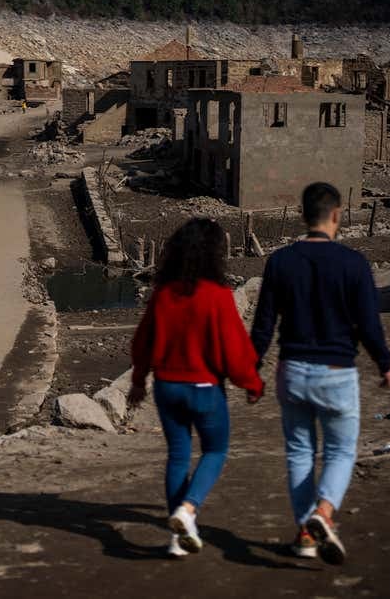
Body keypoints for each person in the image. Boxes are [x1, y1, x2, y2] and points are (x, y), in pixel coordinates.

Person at [250, 182, 390, 566]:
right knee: (341, 450)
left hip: (292, 371)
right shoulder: (354, 264)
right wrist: (384, 362)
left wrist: (250, 371)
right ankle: (324, 512)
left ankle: (304, 534)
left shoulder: (280, 261)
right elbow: (368, 324)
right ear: (336, 215)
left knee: (299, 453)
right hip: (337, 372)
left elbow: (263, 325)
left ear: (303, 216)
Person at [128, 218, 264, 558]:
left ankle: (179, 536)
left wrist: (137, 382)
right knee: (215, 451)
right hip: (204, 388)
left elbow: (142, 342)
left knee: (178, 455)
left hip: (167, 387)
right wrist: (251, 382)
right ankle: (188, 508)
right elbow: (234, 349)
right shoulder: (218, 297)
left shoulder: (162, 295)